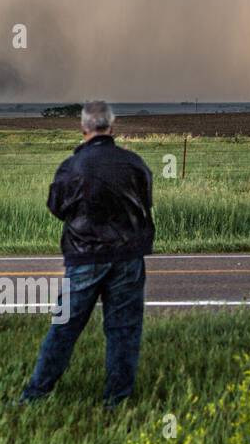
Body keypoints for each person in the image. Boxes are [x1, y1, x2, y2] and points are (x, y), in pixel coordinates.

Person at [20, 100, 155, 407]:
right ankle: (116, 400)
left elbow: (57, 207)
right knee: (123, 330)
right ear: (112, 126)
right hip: (128, 257)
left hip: (84, 258)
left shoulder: (72, 167)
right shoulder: (134, 163)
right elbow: (145, 202)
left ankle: (35, 395)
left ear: (83, 128)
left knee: (64, 328)